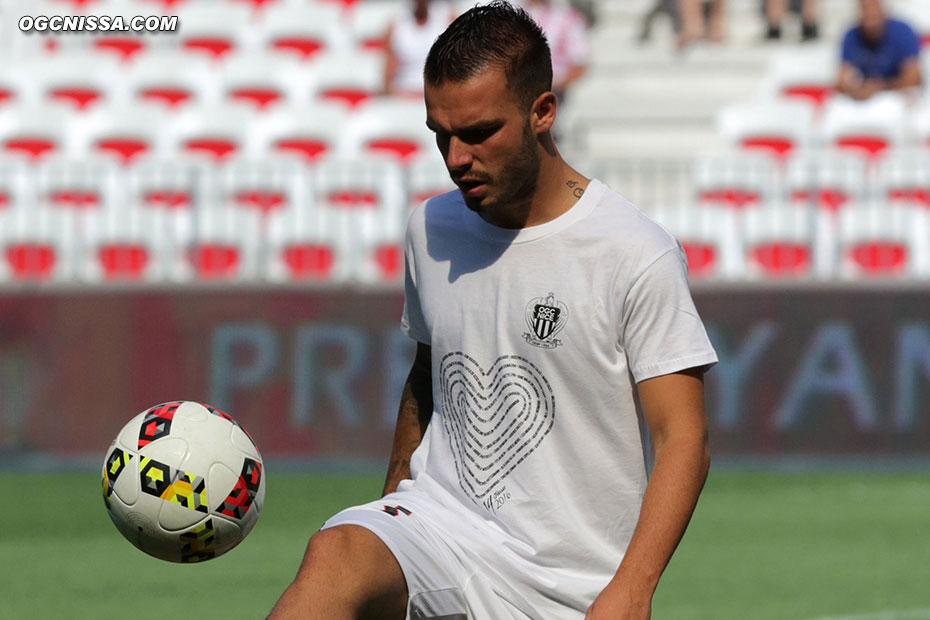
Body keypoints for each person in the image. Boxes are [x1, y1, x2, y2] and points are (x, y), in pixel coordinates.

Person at [268, 3, 717, 619]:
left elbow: (683, 437)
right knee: (336, 555)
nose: (455, 158)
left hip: (564, 585)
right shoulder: (429, 227)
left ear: (543, 112)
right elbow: (428, 378)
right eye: (440, 134)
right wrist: (390, 522)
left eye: (478, 133)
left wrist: (632, 590)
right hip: (438, 528)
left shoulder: (635, 252)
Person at [836, 0, 922, 101]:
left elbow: (914, 78)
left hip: (897, 96)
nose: (870, 13)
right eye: (865, 9)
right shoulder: (851, 35)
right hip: (866, 99)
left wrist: (880, 87)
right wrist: (857, 90)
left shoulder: (903, 32)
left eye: (873, 9)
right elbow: (841, 81)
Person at [520, 0, 590, 102]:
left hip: (552, 92)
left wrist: (553, 85)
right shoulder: (508, 12)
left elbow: (580, 64)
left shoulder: (567, 17)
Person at [383, 0, 453, 96]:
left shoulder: (448, 19)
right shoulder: (397, 23)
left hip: (437, 92)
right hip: (404, 93)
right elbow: (389, 69)